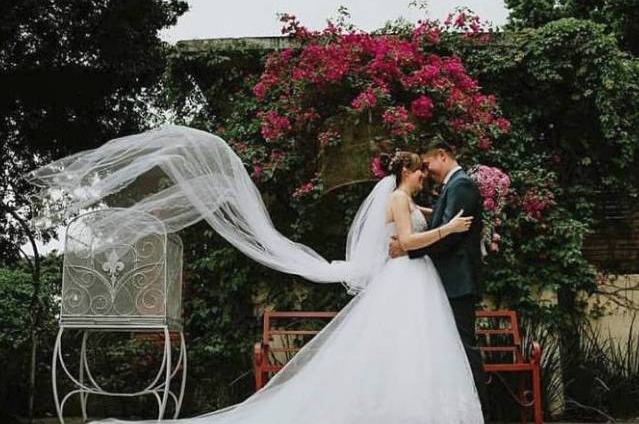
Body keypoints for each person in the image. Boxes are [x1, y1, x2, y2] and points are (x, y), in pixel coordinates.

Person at [24, 125, 485, 424]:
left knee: (408, 347)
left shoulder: (411, 200)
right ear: (407, 170)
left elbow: (411, 227)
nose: (426, 175)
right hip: (407, 279)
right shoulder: (400, 200)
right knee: (406, 345)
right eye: (421, 170)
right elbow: (405, 240)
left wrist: (442, 222)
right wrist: (445, 227)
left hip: (412, 282)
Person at [389, 140, 489, 421]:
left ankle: (479, 414)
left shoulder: (461, 185)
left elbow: (452, 236)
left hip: (458, 282)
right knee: (449, 349)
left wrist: (409, 248)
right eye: (420, 167)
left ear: (442, 156)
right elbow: (441, 223)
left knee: (465, 350)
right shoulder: (451, 187)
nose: (426, 170)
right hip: (446, 282)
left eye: (428, 163)